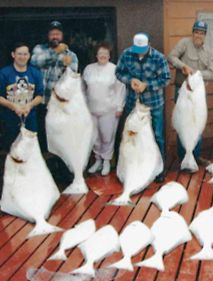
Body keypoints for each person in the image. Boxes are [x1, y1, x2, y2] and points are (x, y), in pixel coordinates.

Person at [115, 32, 171, 182]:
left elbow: (166, 78)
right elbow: (118, 72)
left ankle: (159, 169)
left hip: (154, 104)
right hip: (133, 102)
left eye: (142, 50)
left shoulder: (159, 58)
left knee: (157, 136)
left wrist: (147, 85)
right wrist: (130, 80)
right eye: (137, 50)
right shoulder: (127, 54)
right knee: (132, 135)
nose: (139, 53)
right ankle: (135, 167)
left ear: (148, 45)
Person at [167, 20, 213, 167]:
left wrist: (197, 74)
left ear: (205, 35)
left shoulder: (208, 51)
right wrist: (183, 66)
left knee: (197, 124)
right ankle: (183, 156)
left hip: (198, 93)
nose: (198, 35)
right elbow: (171, 57)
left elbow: (212, 73)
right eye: (196, 32)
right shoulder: (184, 43)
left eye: (201, 33)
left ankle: (195, 155)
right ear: (193, 32)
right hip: (183, 92)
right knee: (183, 123)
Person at [30, 20, 79, 151]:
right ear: (48, 35)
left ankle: (59, 166)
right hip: (41, 101)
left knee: (59, 136)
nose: (55, 36)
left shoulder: (71, 55)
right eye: (52, 34)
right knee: (40, 135)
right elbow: (35, 62)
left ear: (62, 36)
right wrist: (56, 52)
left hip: (59, 104)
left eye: (57, 33)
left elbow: (72, 81)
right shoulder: (39, 49)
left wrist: (67, 66)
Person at [83, 43, 126, 176]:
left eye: (105, 53)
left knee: (107, 136)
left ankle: (107, 161)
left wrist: (120, 106)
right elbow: (84, 89)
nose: (103, 55)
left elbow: (121, 89)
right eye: (100, 53)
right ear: (96, 55)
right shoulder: (88, 69)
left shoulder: (115, 69)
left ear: (109, 55)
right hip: (91, 109)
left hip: (109, 110)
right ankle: (97, 161)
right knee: (94, 137)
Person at [0, 42, 44, 150]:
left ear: (29, 56)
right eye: (19, 54)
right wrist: (14, 106)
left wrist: (29, 105)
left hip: (30, 120)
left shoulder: (36, 73)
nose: (22, 57)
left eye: (25, 54)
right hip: (9, 120)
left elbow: (40, 96)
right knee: (11, 151)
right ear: (13, 54)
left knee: (30, 151)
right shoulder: (4, 73)